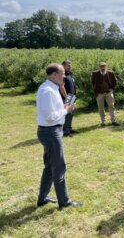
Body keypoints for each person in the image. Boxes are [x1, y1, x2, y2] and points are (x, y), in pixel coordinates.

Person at [36, 63, 82, 209]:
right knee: (59, 167)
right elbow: (50, 117)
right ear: (54, 74)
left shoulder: (50, 88)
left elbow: (52, 111)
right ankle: (64, 202)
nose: (64, 76)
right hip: (51, 132)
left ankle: (43, 198)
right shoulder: (48, 91)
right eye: (62, 73)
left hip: (49, 131)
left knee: (49, 167)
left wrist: (63, 108)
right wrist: (66, 110)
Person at [91, 62, 120, 126]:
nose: (103, 68)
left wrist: (112, 89)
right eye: (101, 66)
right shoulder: (95, 74)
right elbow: (93, 82)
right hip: (99, 93)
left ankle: (113, 121)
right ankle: (103, 122)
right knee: (101, 108)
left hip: (109, 93)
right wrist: (97, 92)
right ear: (99, 67)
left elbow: (115, 82)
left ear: (106, 67)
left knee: (111, 106)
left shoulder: (111, 73)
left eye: (104, 66)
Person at [59, 60, 77, 137]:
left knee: (71, 113)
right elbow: (61, 86)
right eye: (68, 65)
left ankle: (69, 128)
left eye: (70, 65)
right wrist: (67, 98)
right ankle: (65, 131)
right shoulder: (62, 75)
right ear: (63, 66)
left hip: (72, 96)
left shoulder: (70, 74)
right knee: (67, 114)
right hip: (67, 97)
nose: (70, 66)